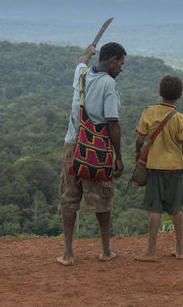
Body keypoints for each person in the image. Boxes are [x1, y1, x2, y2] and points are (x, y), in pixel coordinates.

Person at [57, 41, 126, 265]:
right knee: (102, 198)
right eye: (121, 63)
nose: (121, 69)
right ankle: (105, 250)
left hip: (72, 145)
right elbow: (113, 123)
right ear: (113, 60)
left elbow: (80, 62)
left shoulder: (82, 74)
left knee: (69, 197)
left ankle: (68, 253)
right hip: (96, 149)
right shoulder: (108, 84)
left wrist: (87, 53)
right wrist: (118, 157)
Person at [133, 74, 183, 262]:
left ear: (160, 93)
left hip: (155, 168)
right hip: (176, 169)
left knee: (156, 210)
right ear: (180, 95)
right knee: (176, 210)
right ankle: (180, 249)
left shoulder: (149, 112)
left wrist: (137, 153)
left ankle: (151, 252)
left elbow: (140, 140)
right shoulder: (180, 119)